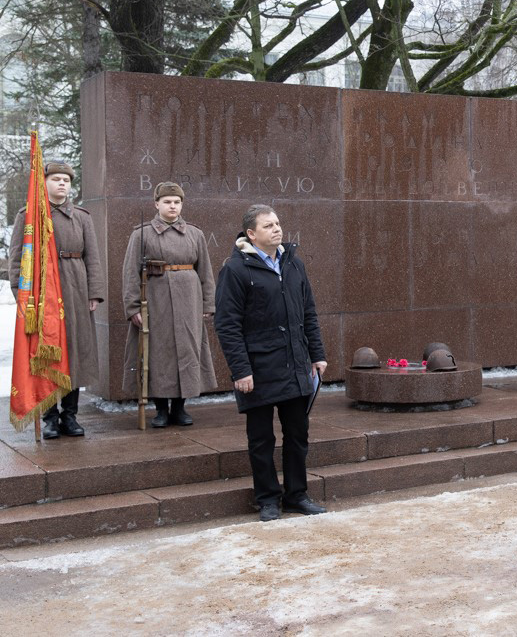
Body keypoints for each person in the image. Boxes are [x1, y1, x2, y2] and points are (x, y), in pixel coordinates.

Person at [214, 204, 327, 521]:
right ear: (251, 234)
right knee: (261, 438)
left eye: (278, 223)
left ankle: (297, 495)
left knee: (297, 434)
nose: (277, 229)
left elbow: (309, 313)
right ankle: (267, 499)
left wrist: (317, 355)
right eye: (268, 225)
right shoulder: (236, 270)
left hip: (295, 363)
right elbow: (227, 325)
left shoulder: (294, 264)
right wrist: (241, 370)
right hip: (259, 368)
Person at [8, 161, 105, 439]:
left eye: (66, 180)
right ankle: (50, 417)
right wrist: (21, 294)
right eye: (56, 179)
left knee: (73, 353)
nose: (62, 184)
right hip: (43, 295)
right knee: (47, 353)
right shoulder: (29, 215)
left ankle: (70, 416)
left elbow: (93, 258)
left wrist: (94, 293)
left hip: (75, 289)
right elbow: (18, 259)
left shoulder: (82, 217)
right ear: (44, 183)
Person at [121, 182, 217, 426]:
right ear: (157, 204)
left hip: (189, 300)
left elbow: (205, 271)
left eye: (176, 202)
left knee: (187, 349)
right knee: (159, 352)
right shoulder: (141, 234)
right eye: (167, 202)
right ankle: (161, 409)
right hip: (156, 300)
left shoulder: (195, 234)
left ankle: (180, 407)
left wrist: (208, 304)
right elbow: (130, 273)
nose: (172, 206)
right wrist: (132, 307)